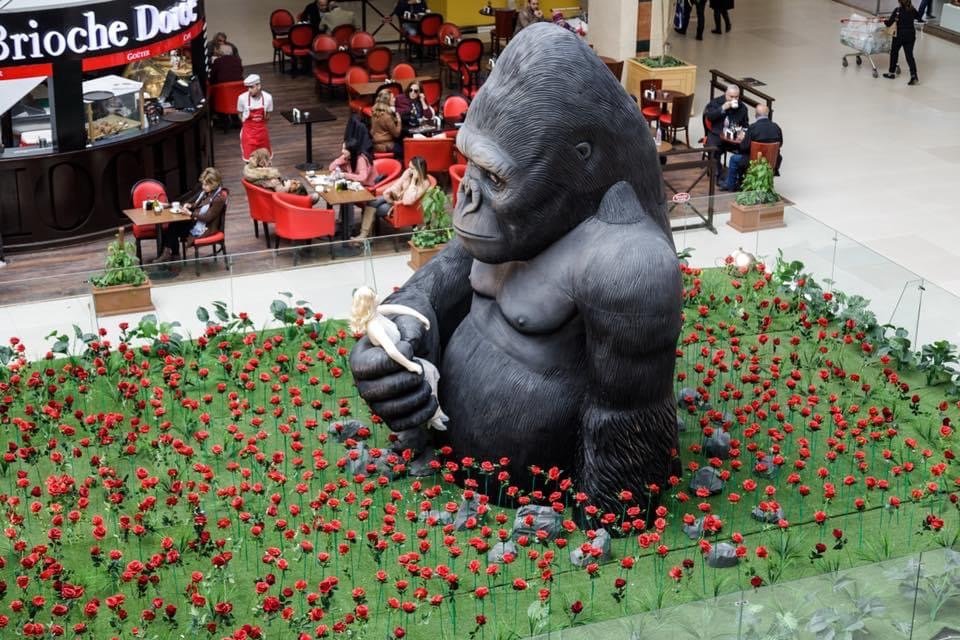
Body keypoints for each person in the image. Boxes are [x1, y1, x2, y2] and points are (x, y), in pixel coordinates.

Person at [152, 168, 227, 263]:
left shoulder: (218, 198)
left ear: (214, 184)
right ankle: (173, 254)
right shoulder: (207, 193)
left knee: (173, 228)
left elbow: (208, 217)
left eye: (206, 184)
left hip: (206, 228)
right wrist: (190, 205)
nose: (203, 187)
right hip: (197, 222)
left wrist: (190, 213)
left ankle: (170, 254)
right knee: (173, 225)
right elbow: (198, 205)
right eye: (203, 184)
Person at [352, 156, 430, 241]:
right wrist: (390, 192)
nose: (409, 170)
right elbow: (397, 184)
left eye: (412, 168)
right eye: (409, 167)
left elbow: (408, 201)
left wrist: (413, 182)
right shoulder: (408, 173)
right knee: (372, 202)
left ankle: (366, 236)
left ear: (419, 170)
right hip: (395, 199)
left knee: (376, 208)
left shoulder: (424, 183)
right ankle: (364, 235)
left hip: (403, 207)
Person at [720, 104, 783, 191]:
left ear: (756, 114)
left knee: (734, 159)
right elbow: (780, 144)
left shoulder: (753, 128)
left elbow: (743, 147)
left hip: (753, 161)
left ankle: (730, 185)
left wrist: (743, 139)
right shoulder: (776, 127)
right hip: (771, 161)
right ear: (768, 114)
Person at [243, 148, 321, 203]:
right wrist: (289, 184)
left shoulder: (251, 173)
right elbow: (281, 192)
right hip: (279, 201)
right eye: (268, 159)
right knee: (299, 185)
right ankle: (306, 202)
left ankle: (305, 200)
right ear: (263, 162)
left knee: (292, 181)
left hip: (265, 200)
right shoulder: (270, 178)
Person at [703, 84, 749, 178]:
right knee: (713, 149)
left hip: (733, 136)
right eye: (731, 97)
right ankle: (716, 175)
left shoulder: (742, 107)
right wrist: (722, 108)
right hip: (717, 133)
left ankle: (738, 176)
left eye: (736, 97)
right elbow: (710, 116)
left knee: (747, 148)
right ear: (726, 94)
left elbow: (745, 125)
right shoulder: (716, 102)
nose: (734, 99)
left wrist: (743, 132)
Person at [238, 74, 273, 161]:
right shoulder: (242, 98)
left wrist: (260, 125)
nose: (249, 90)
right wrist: (247, 125)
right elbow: (240, 113)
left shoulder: (268, 98)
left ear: (258, 86)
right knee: (249, 161)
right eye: (248, 88)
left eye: (251, 87)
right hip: (248, 135)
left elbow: (268, 116)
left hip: (262, 135)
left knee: (265, 160)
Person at [884, 0, 919, 85]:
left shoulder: (897, 11)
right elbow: (919, 17)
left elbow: (889, 24)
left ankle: (891, 73)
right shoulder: (912, 10)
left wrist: (884, 20)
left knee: (894, 52)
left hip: (899, 35)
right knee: (909, 56)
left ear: (899, 2)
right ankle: (914, 75)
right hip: (910, 35)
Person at [370, 89, 402, 156]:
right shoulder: (387, 116)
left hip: (375, 144)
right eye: (392, 98)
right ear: (387, 101)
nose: (394, 99)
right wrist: (399, 121)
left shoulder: (374, 111)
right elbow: (396, 134)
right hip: (387, 145)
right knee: (404, 150)